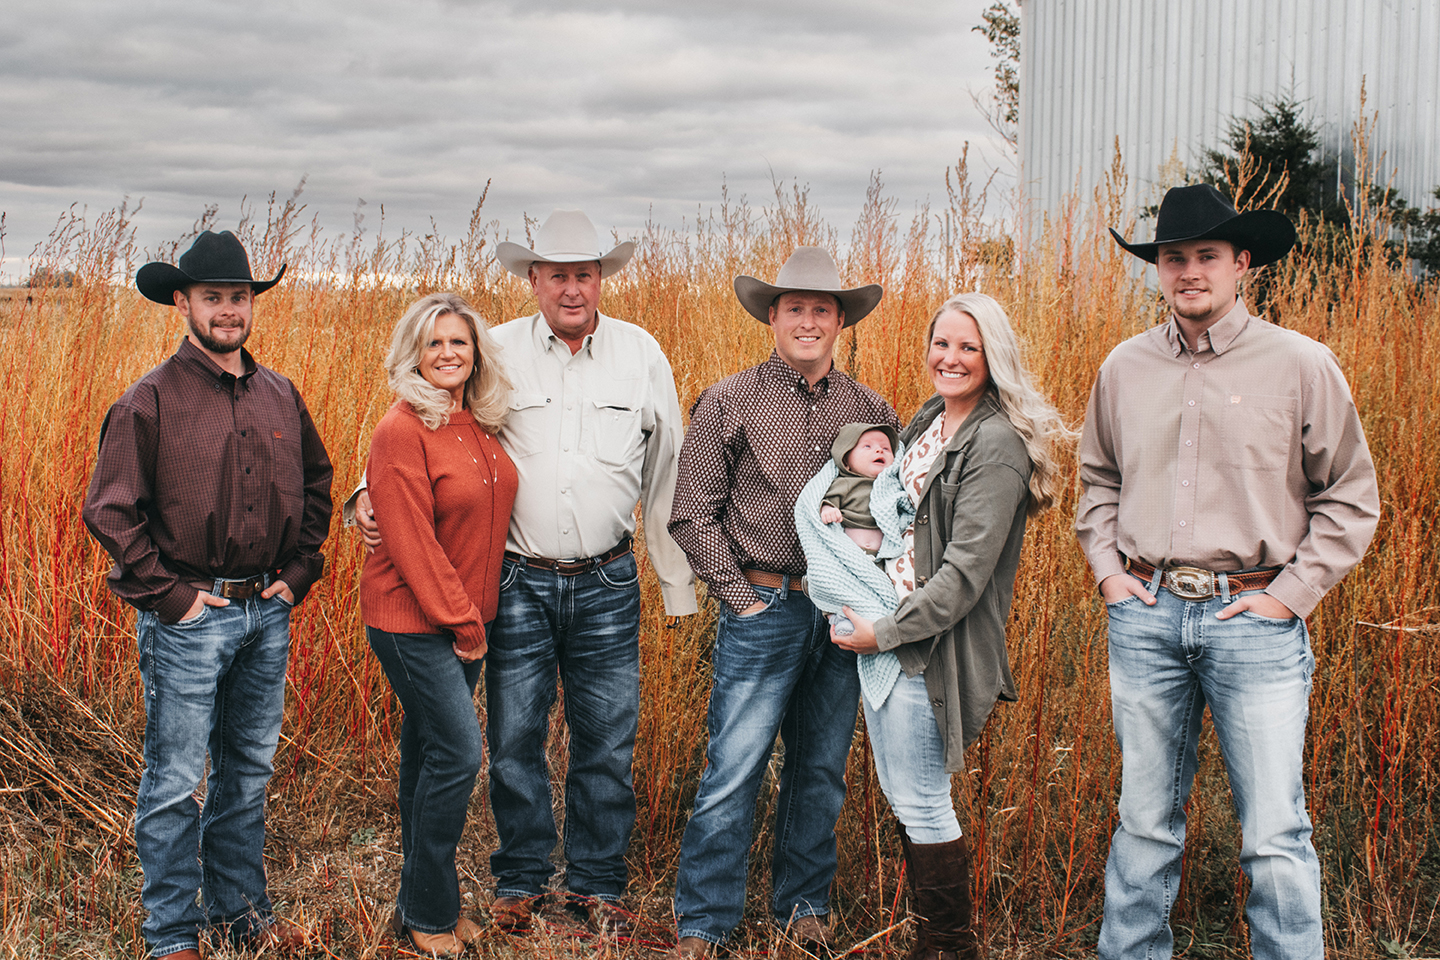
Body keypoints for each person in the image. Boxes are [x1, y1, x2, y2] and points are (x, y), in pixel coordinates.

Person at [351, 210, 696, 936]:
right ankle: (522, 878)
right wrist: (364, 493)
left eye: (584, 273)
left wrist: (675, 580)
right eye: (557, 274)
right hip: (514, 580)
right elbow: (426, 419)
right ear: (533, 280)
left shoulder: (641, 354)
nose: (572, 288)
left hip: (606, 579)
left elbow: (668, 468)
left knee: (607, 739)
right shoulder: (492, 346)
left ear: (601, 279)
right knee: (513, 738)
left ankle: (597, 886)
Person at [1077, 184, 1380, 960]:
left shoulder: (1301, 363)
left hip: (1255, 620)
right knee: (1144, 820)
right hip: (1145, 617)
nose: (1188, 272)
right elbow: (1098, 480)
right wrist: (1111, 573)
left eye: (1206, 255)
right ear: (1158, 270)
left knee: (1275, 830)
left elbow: (1350, 497)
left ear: (1241, 263)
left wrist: (1289, 597)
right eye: (1172, 258)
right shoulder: (1124, 367)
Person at [82, 230, 333, 960]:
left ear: (253, 306)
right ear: (184, 303)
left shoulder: (280, 393)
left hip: (267, 614)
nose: (229, 311)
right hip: (192, 618)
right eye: (215, 297)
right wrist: (170, 599)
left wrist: (297, 574)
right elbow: (109, 508)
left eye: (240, 298)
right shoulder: (149, 400)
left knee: (248, 773)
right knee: (175, 782)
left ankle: (239, 913)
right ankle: (170, 933)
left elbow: (317, 483)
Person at [668, 247, 901, 957]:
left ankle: (802, 907)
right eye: (794, 307)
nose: (808, 320)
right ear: (772, 315)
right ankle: (706, 921)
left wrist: (878, 603)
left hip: (841, 615)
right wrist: (741, 601)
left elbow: (896, 515)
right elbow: (691, 513)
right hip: (763, 604)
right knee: (734, 766)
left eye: (822, 310)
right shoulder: (729, 400)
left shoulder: (872, 411)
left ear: (841, 321)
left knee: (821, 768)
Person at [826, 292, 1069, 960]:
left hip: (923, 647)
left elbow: (965, 574)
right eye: (943, 344)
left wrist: (887, 631)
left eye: (969, 347)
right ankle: (931, 940)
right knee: (903, 794)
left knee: (924, 799)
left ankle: (949, 947)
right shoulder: (932, 417)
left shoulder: (994, 445)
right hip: (890, 633)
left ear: (994, 357)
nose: (951, 358)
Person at [361, 293, 518, 955]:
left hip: (462, 620)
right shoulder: (401, 427)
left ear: (475, 352)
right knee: (458, 753)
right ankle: (429, 913)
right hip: (412, 620)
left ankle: (423, 902)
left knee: (428, 757)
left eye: (459, 342)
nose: (449, 354)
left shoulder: (476, 423)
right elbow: (412, 542)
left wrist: (470, 618)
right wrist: (463, 622)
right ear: (413, 355)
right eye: (434, 344)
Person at [819, 424, 899, 556]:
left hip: (882, 557)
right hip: (848, 553)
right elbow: (828, 500)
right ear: (846, 461)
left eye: (886, 448)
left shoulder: (892, 485)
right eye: (867, 446)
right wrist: (828, 509)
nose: (879, 450)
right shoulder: (846, 483)